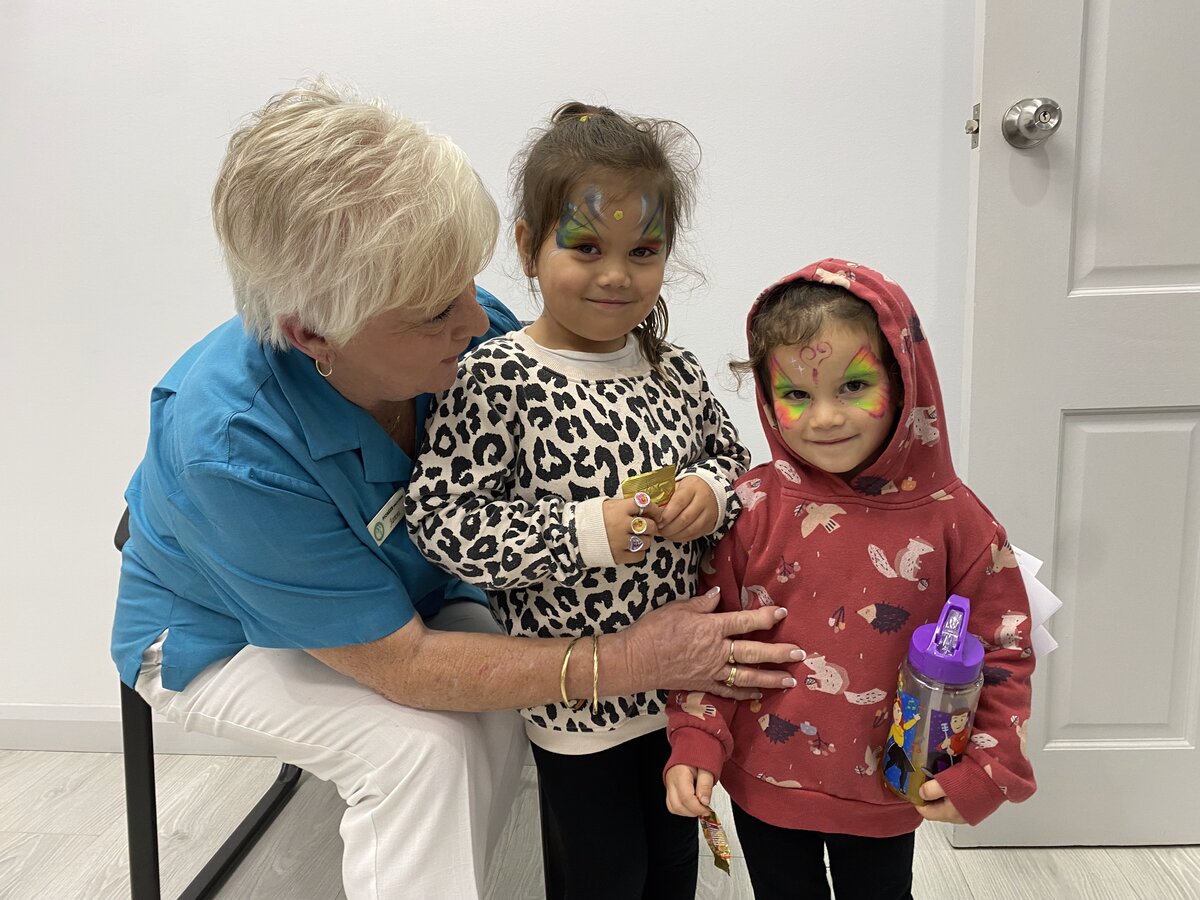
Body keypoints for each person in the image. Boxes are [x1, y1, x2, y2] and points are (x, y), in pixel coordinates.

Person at [109, 80, 802, 900]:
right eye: (437, 311)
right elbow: (403, 663)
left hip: (406, 589)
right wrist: (620, 657)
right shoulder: (231, 450)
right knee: (422, 754)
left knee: (498, 730)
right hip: (223, 632)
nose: (477, 323)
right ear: (313, 334)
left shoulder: (473, 338)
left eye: (468, 286)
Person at [406, 102, 754, 900]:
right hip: (577, 706)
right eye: (586, 245)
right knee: (601, 877)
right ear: (528, 247)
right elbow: (443, 523)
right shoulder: (499, 378)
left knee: (672, 871)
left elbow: (738, 467)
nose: (616, 274)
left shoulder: (677, 371)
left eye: (644, 250)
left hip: (682, 694)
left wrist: (710, 490)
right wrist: (582, 530)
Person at [663, 259, 1037, 900]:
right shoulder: (750, 507)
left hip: (890, 789)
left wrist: (989, 764)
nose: (825, 418)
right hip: (764, 784)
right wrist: (696, 737)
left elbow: (1003, 651)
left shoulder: (958, 521)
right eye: (798, 395)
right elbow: (710, 641)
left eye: (854, 385)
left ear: (904, 378)